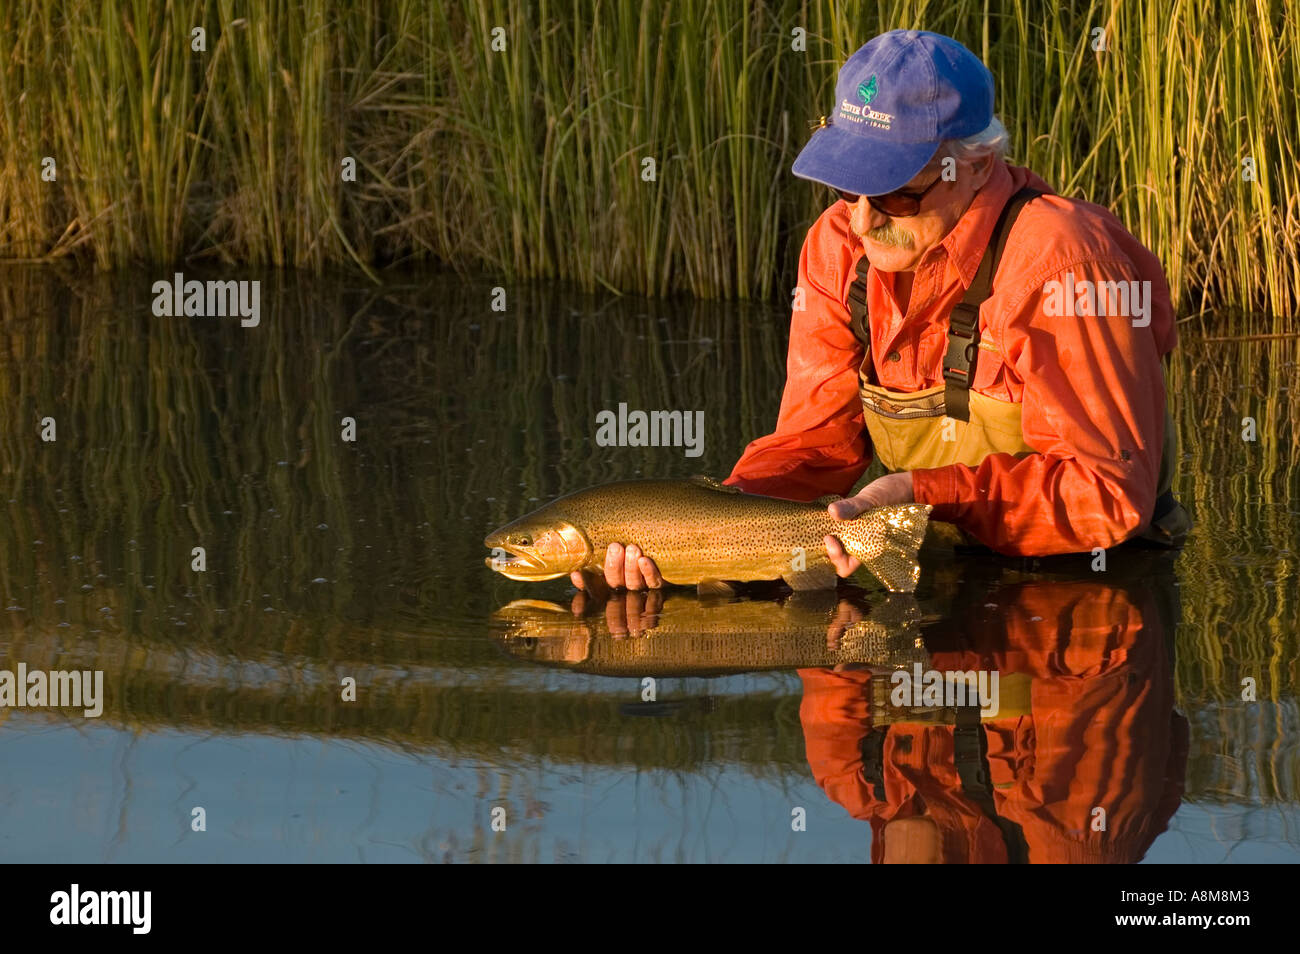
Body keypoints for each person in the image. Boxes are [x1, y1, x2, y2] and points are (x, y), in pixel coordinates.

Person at [574, 29, 1191, 594]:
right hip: (924, 562)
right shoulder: (838, 245)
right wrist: (708, 533)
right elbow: (814, 448)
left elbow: (1108, 495)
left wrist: (923, 493)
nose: (863, 220)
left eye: (897, 192)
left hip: (1092, 589)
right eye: (848, 186)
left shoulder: (1064, 264)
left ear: (975, 166)